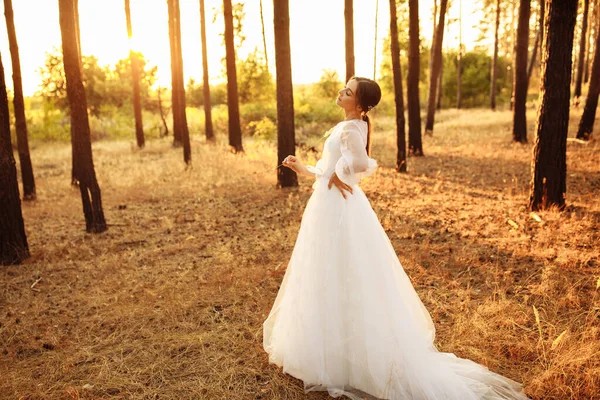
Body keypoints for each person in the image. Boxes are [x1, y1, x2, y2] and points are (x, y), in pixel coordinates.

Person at [262, 77, 530, 400]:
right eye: (344, 88)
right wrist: (303, 168)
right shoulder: (349, 125)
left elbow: (361, 163)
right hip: (328, 205)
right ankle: (329, 348)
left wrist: (341, 172)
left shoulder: (351, 128)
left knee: (342, 271)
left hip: (338, 209)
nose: (341, 92)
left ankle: (342, 357)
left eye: (348, 92)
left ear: (359, 105)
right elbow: (328, 167)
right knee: (326, 272)